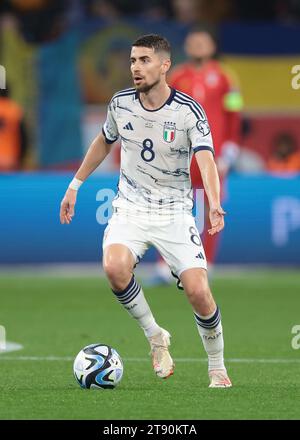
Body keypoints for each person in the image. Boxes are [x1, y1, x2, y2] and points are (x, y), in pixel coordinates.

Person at [60, 34, 232, 388]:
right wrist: (75, 185)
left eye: (144, 60)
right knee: (114, 266)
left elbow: (206, 158)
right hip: (131, 207)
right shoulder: (120, 104)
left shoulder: (188, 111)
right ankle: (155, 336)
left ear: (164, 65)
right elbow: (104, 141)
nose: (136, 68)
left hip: (174, 211)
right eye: (133, 61)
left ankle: (217, 365)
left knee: (199, 291)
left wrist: (213, 203)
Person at [151, 27, 242, 283]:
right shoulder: (176, 77)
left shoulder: (226, 78)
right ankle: (164, 267)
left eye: (203, 42)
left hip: (213, 156)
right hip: (181, 155)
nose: (199, 46)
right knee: (171, 210)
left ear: (212, 46)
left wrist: (230, 149)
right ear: (187, 48)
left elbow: (234, 115)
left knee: (213, 209)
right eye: (194, 43)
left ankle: (206, 264)